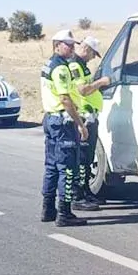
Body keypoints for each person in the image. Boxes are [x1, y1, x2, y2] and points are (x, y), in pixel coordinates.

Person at [40, 29, 88, 226]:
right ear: (56, 45)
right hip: (62, 122)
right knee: (67, 169)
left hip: (51, 119)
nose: (71, 48)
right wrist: (80, 124)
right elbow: (65, 99)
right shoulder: (60, 69)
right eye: (67, 45)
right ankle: (64, 213)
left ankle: (48, 209)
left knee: (51, 166)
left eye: (73, 45)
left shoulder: (48, 64)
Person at [71, 35, 111, 208]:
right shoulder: (75, 66)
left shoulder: (83, 66)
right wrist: (100, 82)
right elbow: (83, 90)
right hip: (84, 117)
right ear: (86, 49)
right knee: (82, 158)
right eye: (93, 54)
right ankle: (77, 196)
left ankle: (86, 191)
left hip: (90, 116)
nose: (93, 58)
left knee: (87, 159)